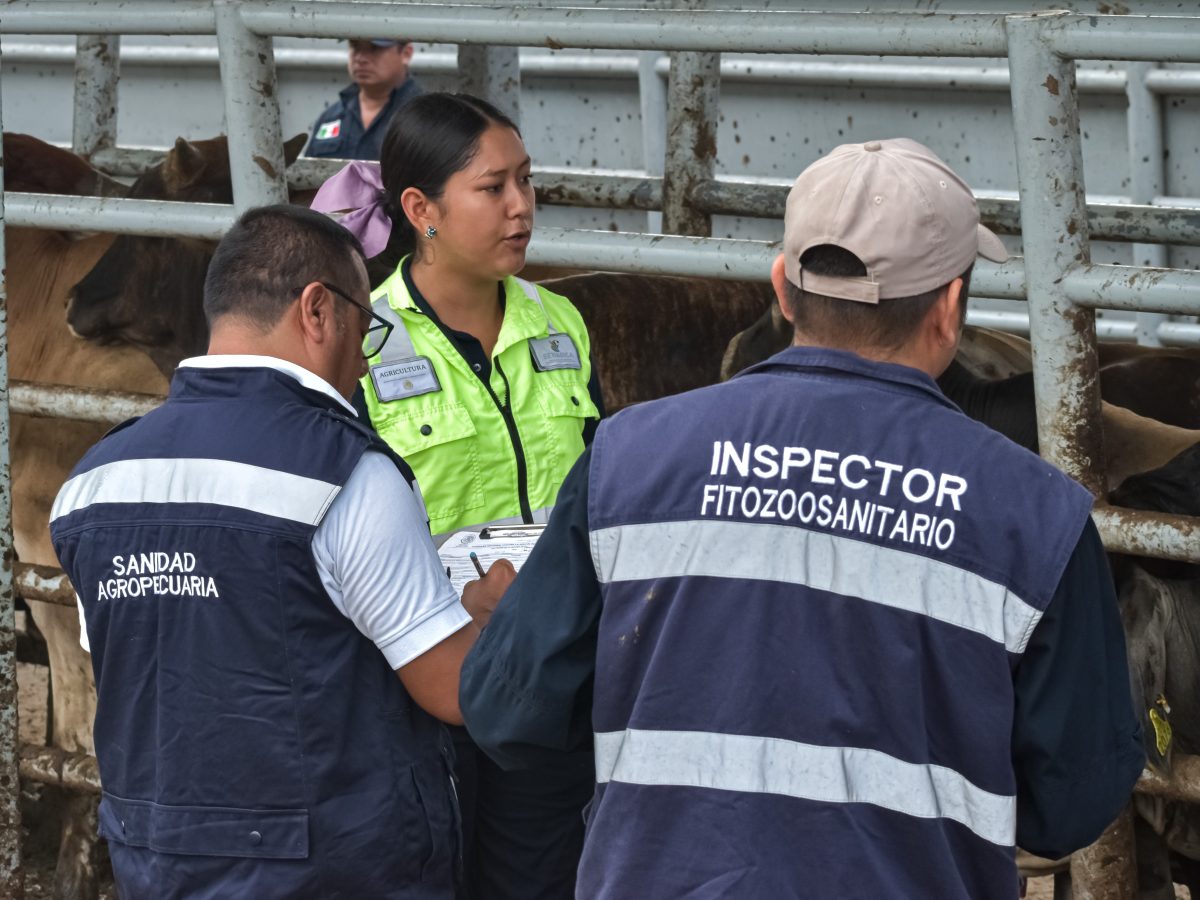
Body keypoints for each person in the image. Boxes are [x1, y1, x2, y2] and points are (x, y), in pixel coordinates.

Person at [459, 138, 1146, 899]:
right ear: (951, 309)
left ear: (783, 288)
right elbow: (1073, 797)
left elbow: (509, 713)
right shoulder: (1039, 515)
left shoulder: (626, 458)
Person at [49, 204, 513, 899]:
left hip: (158, 864)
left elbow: (151, 659)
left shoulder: (92, 482)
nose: (363, 358)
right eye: (367, 328)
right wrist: (493, 618)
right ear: (319, 311)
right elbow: (455, 691)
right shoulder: (347, 474)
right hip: (330, 866)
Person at [311, 92, 603, 900]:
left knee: (538, 879)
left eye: (526, 182)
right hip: (413, 682)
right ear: (420, 209)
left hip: (545, 675)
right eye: (492, 187)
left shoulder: (564, 324)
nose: (520, 208)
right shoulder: (360, 339)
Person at [304, 38, 421, 160]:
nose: (360, 58)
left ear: (406, 54)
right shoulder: (330, 117)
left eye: (375, 49)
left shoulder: (425, 117)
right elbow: (306, 176)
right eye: (355, 46)